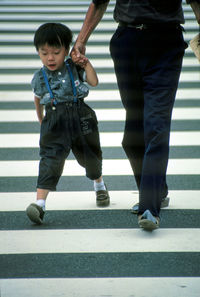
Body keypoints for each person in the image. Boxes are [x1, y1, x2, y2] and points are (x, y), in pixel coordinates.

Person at [71, 0, 200, 231]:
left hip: (166, 44)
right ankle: (157, 191)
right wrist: (80, 41)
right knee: (133, 137)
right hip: (127, 43)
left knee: (156, 126)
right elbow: (99, 2)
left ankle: (149, 207)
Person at [26, 22, 110, 225]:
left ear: (67, 50)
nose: (50, 58)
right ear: (38, 53)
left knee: (90, 154)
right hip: (54, 120)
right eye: (44, 53)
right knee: (50, 159)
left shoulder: (74, 68)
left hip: (81, 116)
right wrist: (41, 119)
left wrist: (86, 64)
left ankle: (99, 184)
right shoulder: (39, 77)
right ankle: (39, 204)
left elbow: (94, 82)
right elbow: (38, 99)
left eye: (56, 52)